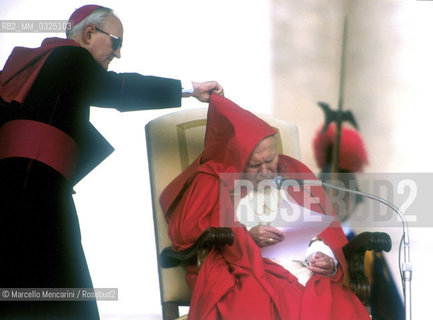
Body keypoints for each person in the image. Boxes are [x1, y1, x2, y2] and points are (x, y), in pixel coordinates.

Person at [0, 4, 223, 319]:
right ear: (89, 33)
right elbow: (119, 89)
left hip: (20, 193)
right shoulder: (70, 57)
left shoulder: (42, 66)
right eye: (116, 42)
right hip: (36, 197)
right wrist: (188, 89)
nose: (118, 53)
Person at [160, 95, 370, 319]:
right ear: (235, 158)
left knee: (339, 304)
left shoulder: (293, 169)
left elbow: (325, 228)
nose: (266, 170)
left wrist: (326, 256)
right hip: (249, 269)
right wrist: (246, 238)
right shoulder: (210, 180)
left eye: (270, 160)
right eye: (255, 164)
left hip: (307, 269)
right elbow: (189, 234)